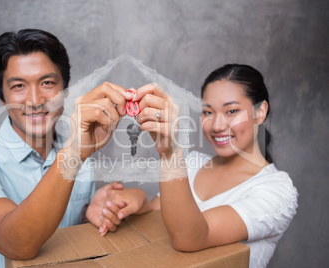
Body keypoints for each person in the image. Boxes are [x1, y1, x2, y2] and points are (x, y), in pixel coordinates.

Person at [0, 29, 152, 268]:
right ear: (3, 97)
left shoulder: (75, 145)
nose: (35, 100)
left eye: (47, 83)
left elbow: (69, 228)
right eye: (19, 86)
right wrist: (75, 152)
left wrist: (91, 211)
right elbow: (16, 244)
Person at [104, 64, 298, 268]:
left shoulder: (278, 190)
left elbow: (189, 237)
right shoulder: (193, 162)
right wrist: (136, 201)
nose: (217, 126)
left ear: (260, 112)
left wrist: (170, 152)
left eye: (232, 111)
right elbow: (159, 216)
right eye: (208, 112)